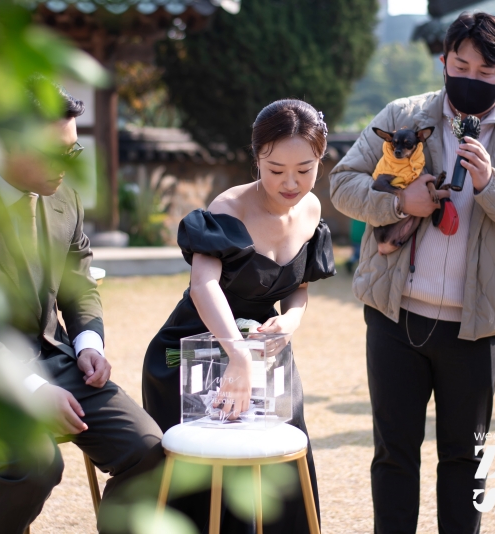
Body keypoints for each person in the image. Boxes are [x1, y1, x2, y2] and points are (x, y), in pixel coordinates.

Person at [329, 12, 495, 534]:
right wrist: (399, 202)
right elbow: (342, 183)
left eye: (486, 72)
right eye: (461, 66)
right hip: (394, 316)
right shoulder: (403, 115)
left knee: (464, 459)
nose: (470, 79)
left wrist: (492, 185)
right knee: (394, 453)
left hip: (474, 328)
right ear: (443, 61)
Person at [0, 80, 163, 534]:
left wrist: (88, 343)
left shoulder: (65, 198)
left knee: (150, 450)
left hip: (55, 359)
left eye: (72, 151)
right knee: (36, 464)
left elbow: (79, 282)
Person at [142, 99, 336, 533]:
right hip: (191, 350)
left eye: (305, 170)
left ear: (320, 160)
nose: (291, 183)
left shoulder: (312, 210)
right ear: (257, 158)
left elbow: (300, 288)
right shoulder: (228, 208)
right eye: (275, 169)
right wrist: (238, 355)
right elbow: (203, 286)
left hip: (265, 351)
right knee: (208, 480)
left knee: (283, 464)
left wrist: (290, 321)